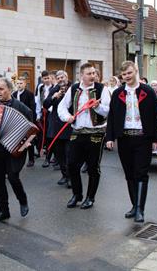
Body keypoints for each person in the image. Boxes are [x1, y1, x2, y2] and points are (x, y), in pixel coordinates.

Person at [106, 61, 157, 223]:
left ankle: (140, 209)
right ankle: (133, 205)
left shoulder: (148, 91)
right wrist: (110, 137)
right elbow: (112, 116)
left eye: (129, 73)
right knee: (129, 174)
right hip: (124, 138)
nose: (127, 77)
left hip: (143, 138)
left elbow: (154, 116)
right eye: (124, 74)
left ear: (135, 71)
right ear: (121, 76)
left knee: (141, 173)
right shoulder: (118, 93)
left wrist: (156, 139)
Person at [0, 78, 33, 222]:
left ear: (9, 89)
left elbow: (32, 129)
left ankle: (22, 200)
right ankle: (4, 211)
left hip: (14, 149)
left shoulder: (22, 108)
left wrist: (27, 142)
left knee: (13, 177)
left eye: (1, 89)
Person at [58, 63, 111, 209]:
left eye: (94, 73)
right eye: (89, 73)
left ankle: (90, 197)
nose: (93, 76)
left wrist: (97, 107)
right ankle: (77, 194)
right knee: (72, 165)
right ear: (81, 75)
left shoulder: (102, 89)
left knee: (93, 167)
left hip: (96, 133)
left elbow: (108, 110)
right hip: (77, 131)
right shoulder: (74, 88)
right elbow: (61, 106)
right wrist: (67, 117)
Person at [43, 70, 72, 188]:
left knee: (69, 154)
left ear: (67, 77)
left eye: (62, 77)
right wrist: (54, 97)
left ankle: (71, 177)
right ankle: (64, 175)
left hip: (68, 126)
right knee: (59, 154)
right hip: (56, 127)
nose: (60, 79)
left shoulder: (73, 88)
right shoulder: (54, 90)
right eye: (58, 78)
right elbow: (46, 104)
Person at [12, 76, 36, 167]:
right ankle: (17, 157)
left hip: (27, 119)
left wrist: (31, 120)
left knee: (29, 140)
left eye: (21, 83)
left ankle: (31, 159)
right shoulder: (14, 94)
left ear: (25, 84)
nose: (19, 85)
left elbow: (32, 107)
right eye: (17, 83)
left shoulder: (29, 94)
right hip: (16, 120)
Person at [35, 70, 53, 167]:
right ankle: (42, 150)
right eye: (44, 78)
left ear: (51, 78)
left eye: (48, 78)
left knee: (50, 135)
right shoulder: (40, 87)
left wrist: (48, 109)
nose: (46, 80)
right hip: (43, 113)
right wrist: (38, 114)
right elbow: (38, 101)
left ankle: (48, 158)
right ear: (42, 79)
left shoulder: (54, 87)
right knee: (42, 134)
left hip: (51, 113)